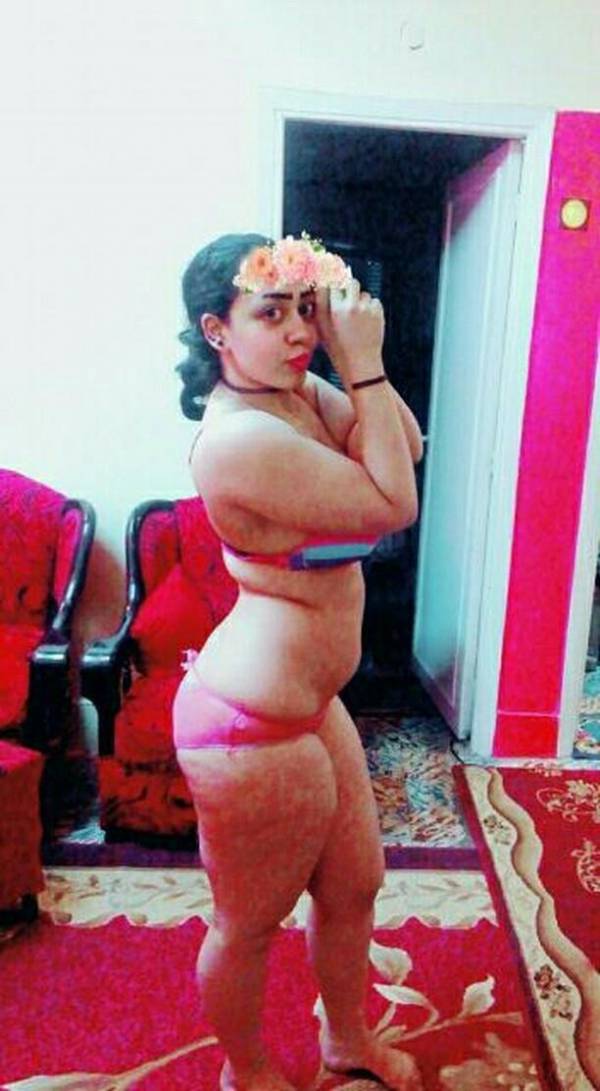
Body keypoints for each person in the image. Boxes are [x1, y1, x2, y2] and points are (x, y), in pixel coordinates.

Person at [173, 232, 424, 1091]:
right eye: (270, 313)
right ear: (217, 329)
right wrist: (365, 366)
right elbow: (394, 501)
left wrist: (356, 370)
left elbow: (405, 445)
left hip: (313, 702)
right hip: (250, 722)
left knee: (355, 884)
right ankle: (247, 1071)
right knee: (248, 922)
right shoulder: (240, 438)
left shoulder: (293, 392)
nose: (298, 332)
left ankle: (345, 1039)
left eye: (305, 310)